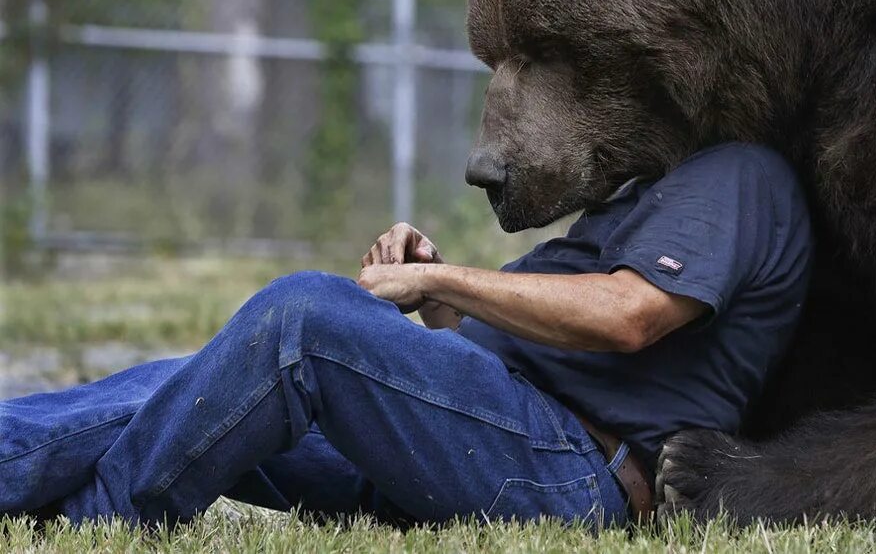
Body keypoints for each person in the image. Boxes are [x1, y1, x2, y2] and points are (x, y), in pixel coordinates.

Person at [0, 143, 811, 529]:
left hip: (569, 470)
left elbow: (628, 316)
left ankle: (101, 523)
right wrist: (440, 303)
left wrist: (441, 281)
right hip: (499, 440)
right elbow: (502, 357)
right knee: (192, 382)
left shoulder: (737, 173)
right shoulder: (658, 186)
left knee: (302, 322)